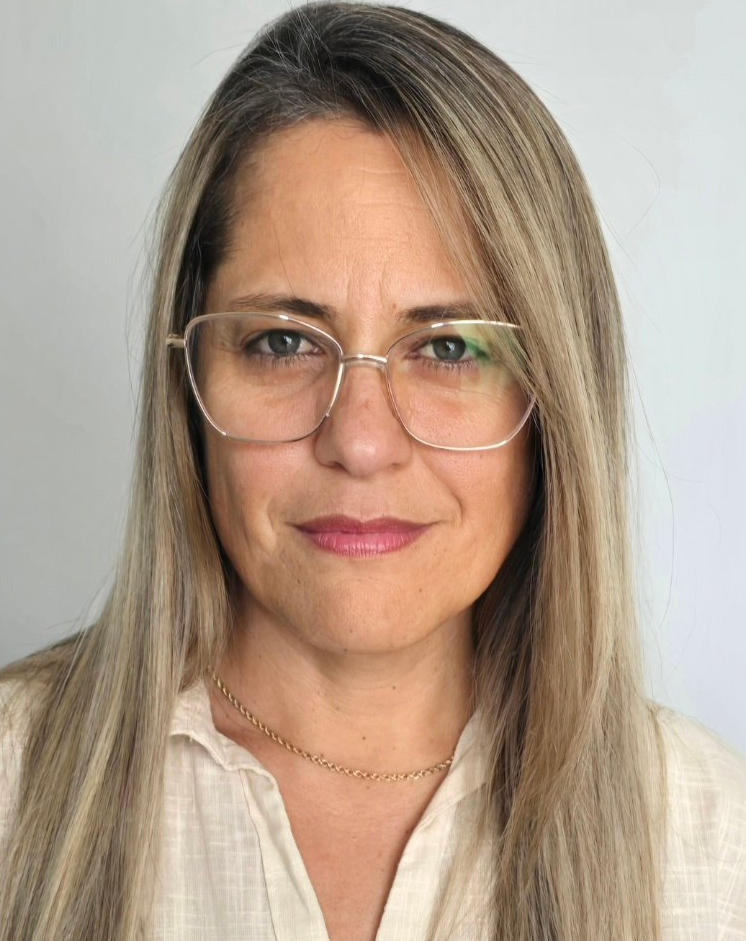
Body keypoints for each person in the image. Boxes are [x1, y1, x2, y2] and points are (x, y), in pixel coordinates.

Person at [1, 3, 744, 939]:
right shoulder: (13, 791)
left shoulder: (712, 850)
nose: (359, 441)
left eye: (449, 348)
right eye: (282, 341)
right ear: (185, 381)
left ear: (557, 401)